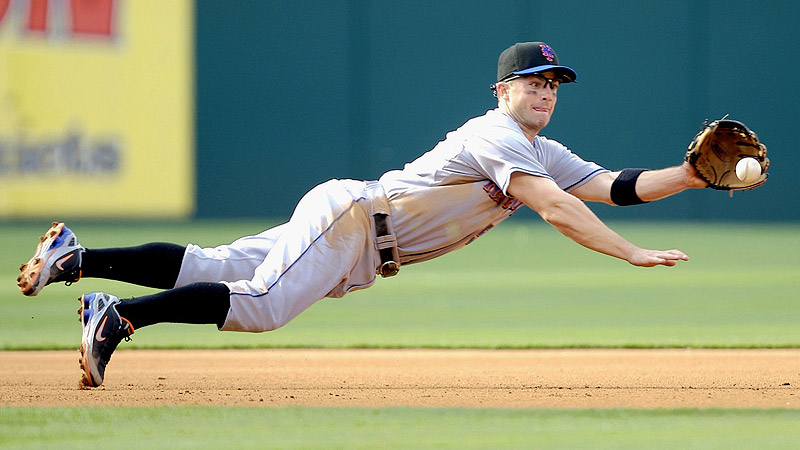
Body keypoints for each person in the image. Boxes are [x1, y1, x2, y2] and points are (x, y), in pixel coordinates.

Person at [17, 41, 708, 387]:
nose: (545, 92)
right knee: (259, 305)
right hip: (354, 219)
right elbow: (556, 209)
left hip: (358, 238)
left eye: (553, 84)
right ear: (502, 91)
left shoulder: (541, 148)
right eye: (533, 82)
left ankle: (75, 261)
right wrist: (633, 254)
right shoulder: (496, 135)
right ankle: (121, 317)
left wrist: (692, 176)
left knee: (215, 266)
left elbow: (616, 186)